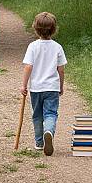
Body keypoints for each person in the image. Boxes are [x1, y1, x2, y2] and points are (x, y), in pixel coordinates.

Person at [20, 12, 66, 156]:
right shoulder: (57, 47)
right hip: (52, 87)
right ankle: (49, 131)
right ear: (54, 29)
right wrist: (61, 86)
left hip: (36, 89)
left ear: (35, 28)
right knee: (51, 113)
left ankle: (39, 143)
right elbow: (61, 69)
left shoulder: (33, 46)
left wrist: (24, 85)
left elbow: (28, 67)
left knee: (37, 115)